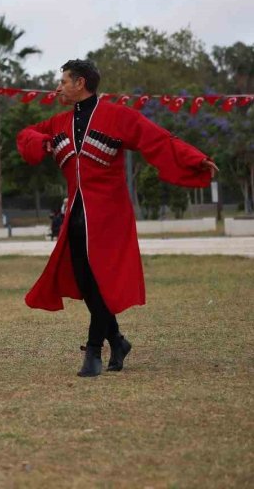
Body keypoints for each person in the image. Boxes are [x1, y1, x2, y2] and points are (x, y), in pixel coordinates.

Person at [16, 59, 218, 377]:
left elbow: (159, 140)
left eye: (64, 81)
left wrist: (196, 159)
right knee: (86, 282)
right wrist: (41, 142)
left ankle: (94, 352)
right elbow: (26, 135)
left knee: (100, 281)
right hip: (77, 216)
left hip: (111, 217)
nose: (58, 88)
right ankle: (118, 340)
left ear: (80, 83)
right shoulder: (57, 124)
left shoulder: (118, 117)